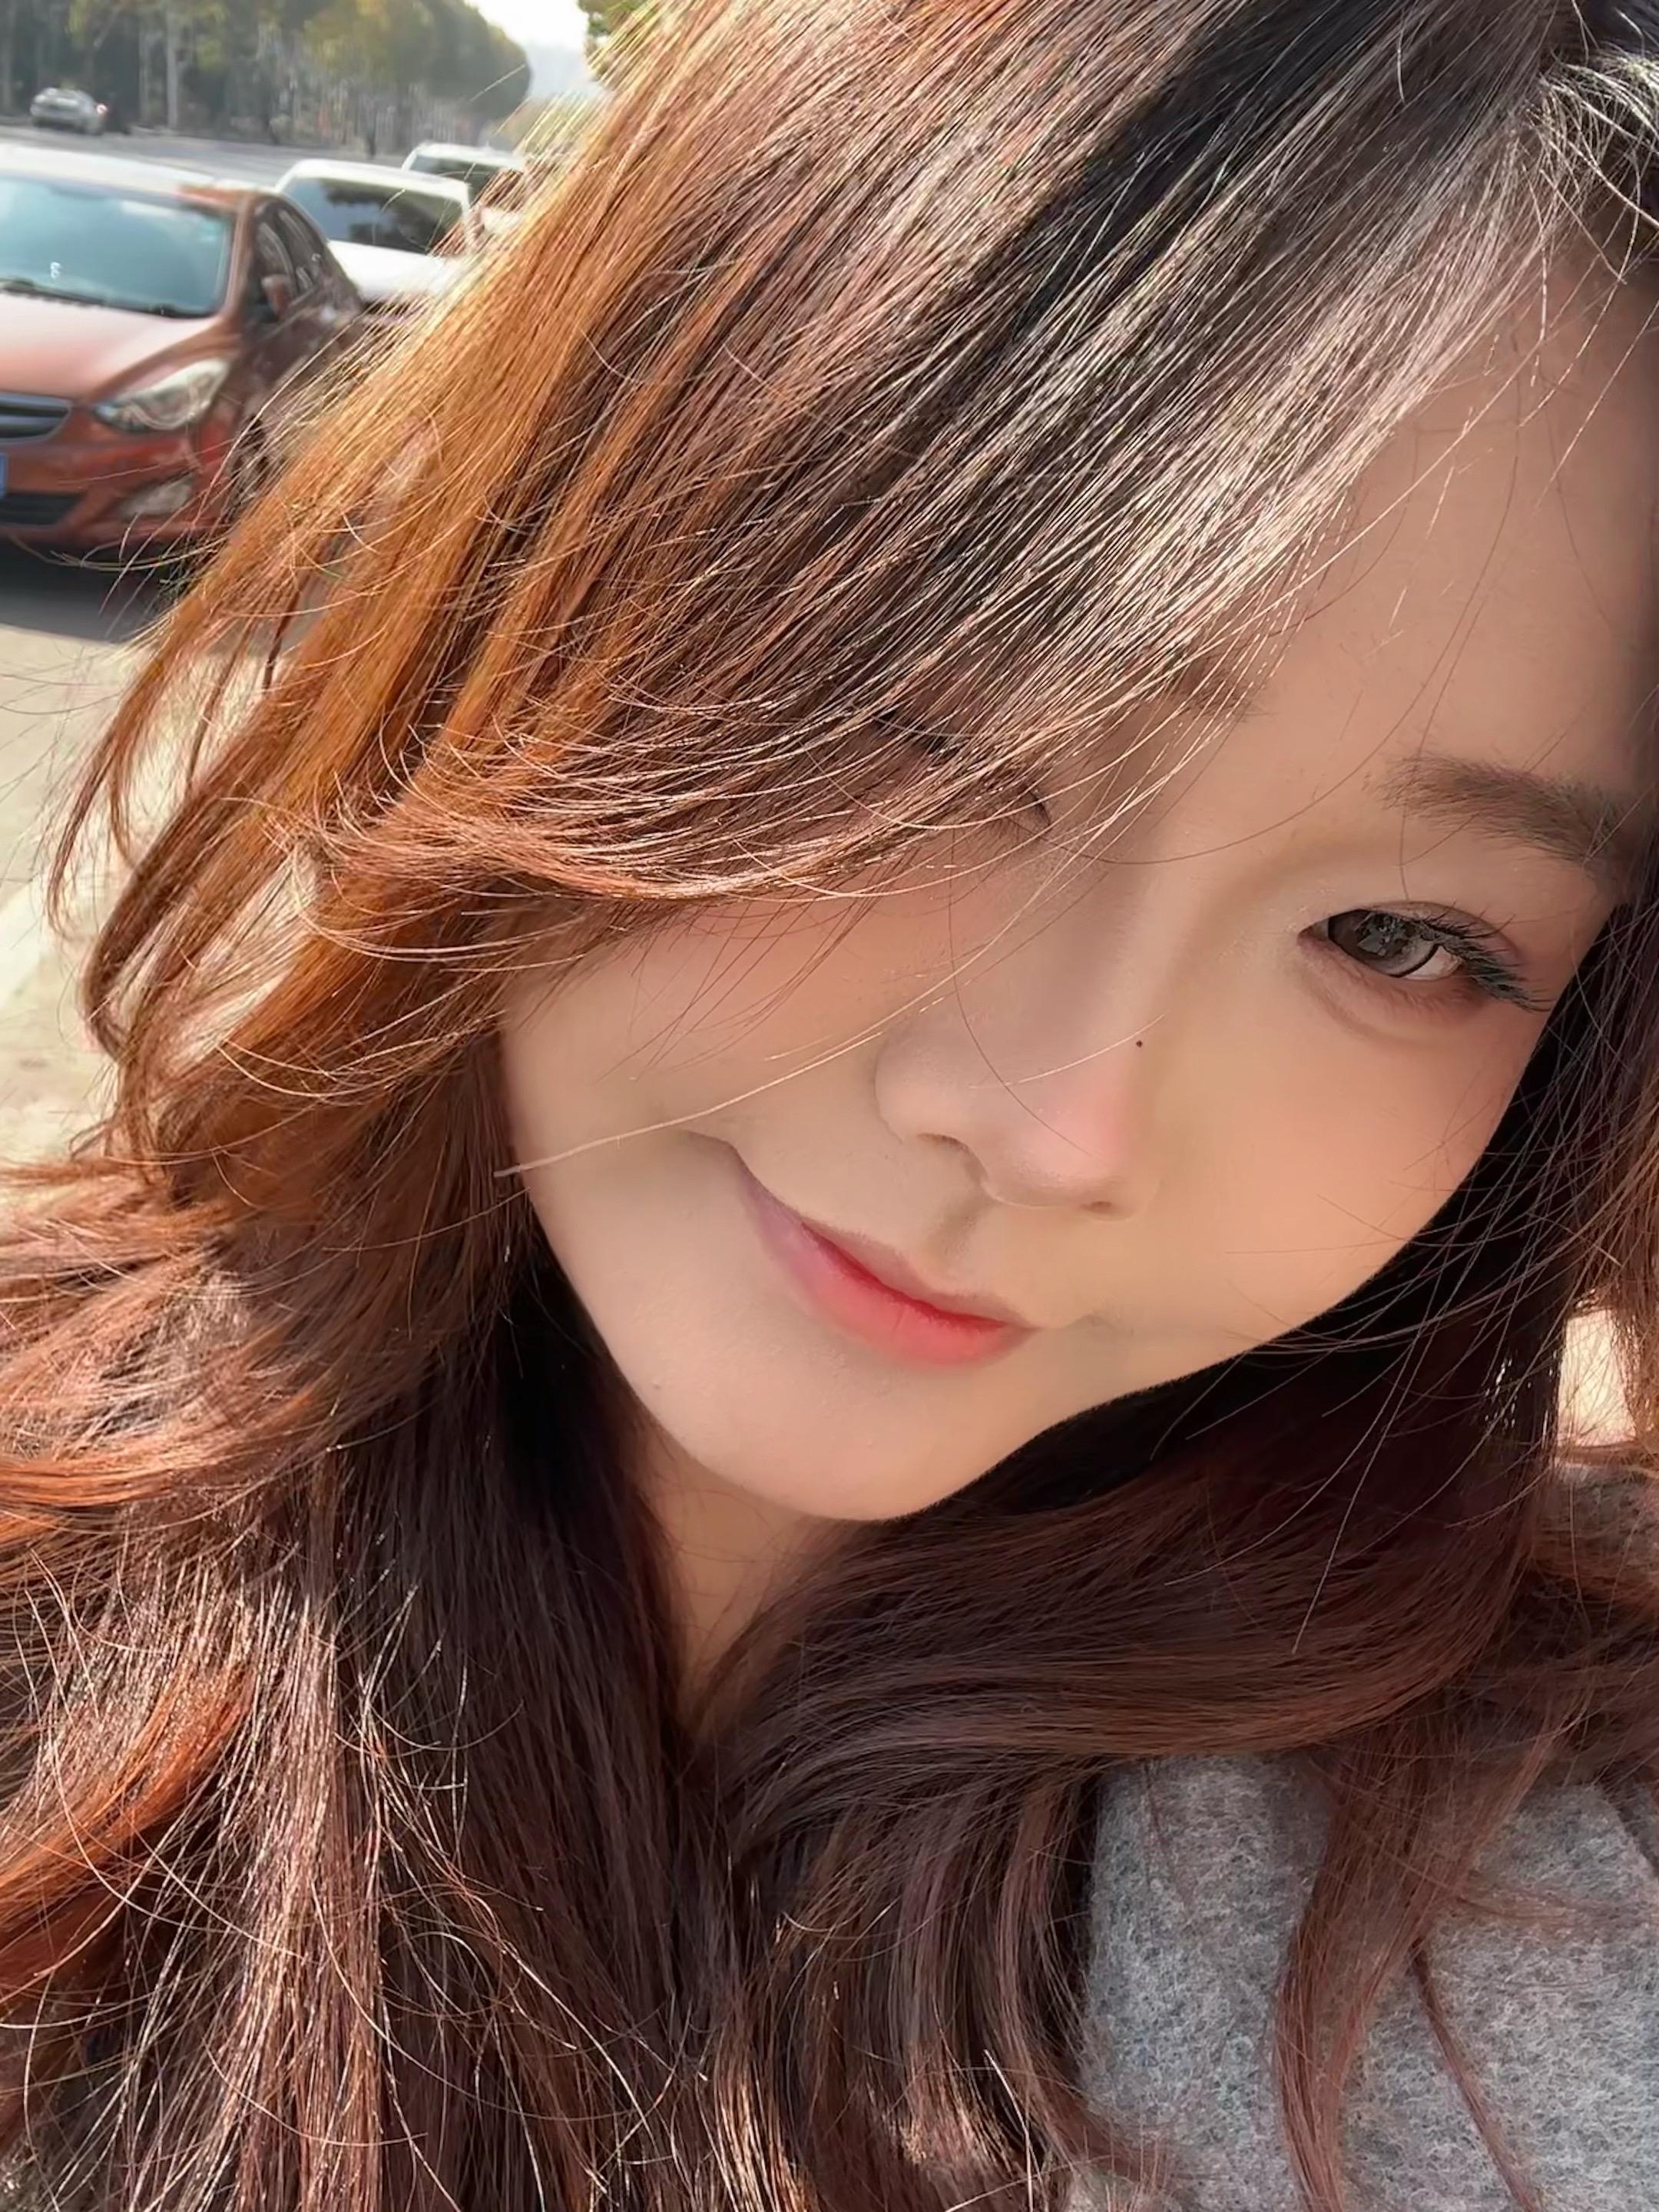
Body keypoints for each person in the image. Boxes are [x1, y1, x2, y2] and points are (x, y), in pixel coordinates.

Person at [2, 3, 1657, 2207]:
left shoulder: (1556, 1895)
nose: (1060, 1128)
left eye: (1400, 937)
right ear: (550, 570)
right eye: (933, 737)